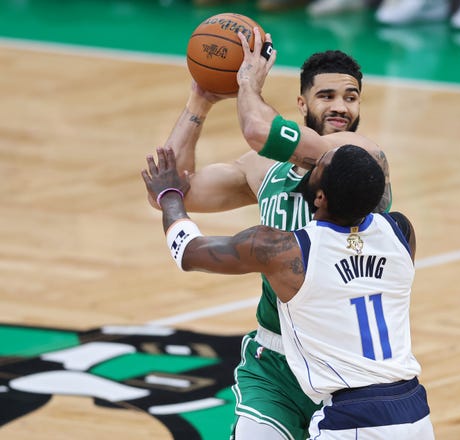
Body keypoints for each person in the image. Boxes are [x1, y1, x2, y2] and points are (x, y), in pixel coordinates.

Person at [151, 33, 392, 439]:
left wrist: (247, 84)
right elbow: (176, 189)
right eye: (327, 96)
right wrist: (201, 99)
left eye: (351, 97)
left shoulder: (357, 155)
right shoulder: (265, 171)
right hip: (275, 360)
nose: (340, 107)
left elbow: (259, 131)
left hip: (345, 366)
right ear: (302, 104)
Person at [141, 144, 434, 439]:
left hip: (354, 418)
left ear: (320, 196)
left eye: (318, 165)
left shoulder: (284, 251)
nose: (312, 160)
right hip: (414, 410)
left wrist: (169, 195)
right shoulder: (400, 231)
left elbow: (189, 252)